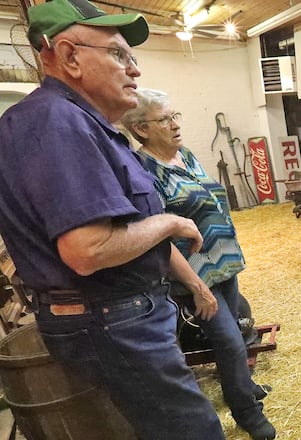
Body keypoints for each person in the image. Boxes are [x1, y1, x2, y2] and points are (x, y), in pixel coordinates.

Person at [0, 0, 228, 438]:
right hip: (110, 320)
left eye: (133, 58)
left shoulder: (79, 122)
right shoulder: (58, 122)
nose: (134, 70)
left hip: (115, 316)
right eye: (119, 55)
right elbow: (89, 250)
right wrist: (171, 223)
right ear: (69, 57)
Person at [120, 88, 276, 440]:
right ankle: (247, 414)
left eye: (176, 116)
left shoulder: (186, 156)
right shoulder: (145, 170)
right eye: (165, 119)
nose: (175, 125)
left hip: (224, 263)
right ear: (141, 128)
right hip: (194, 274)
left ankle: (244, 388)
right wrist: (196, 287)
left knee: (236, 330)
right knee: (229, 341)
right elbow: (159, 233)